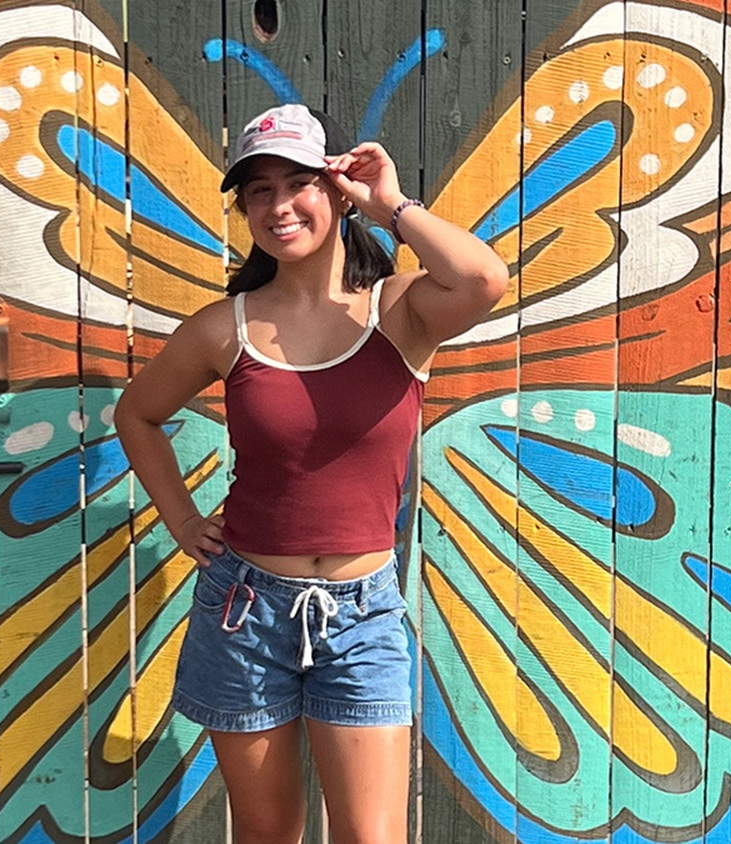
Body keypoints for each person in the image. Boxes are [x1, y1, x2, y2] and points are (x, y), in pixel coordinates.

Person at [114, 103, 507, 843]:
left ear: (336, 188)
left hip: (361, 616)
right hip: (243, 611)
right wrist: (182, 520)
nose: (277, 205)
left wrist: (391, 205)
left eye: (299, 182)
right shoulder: (221, 327)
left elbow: (484, 279)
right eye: (257, 189)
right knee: (269, 836)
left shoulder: (397, 311)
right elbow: (136, 415)